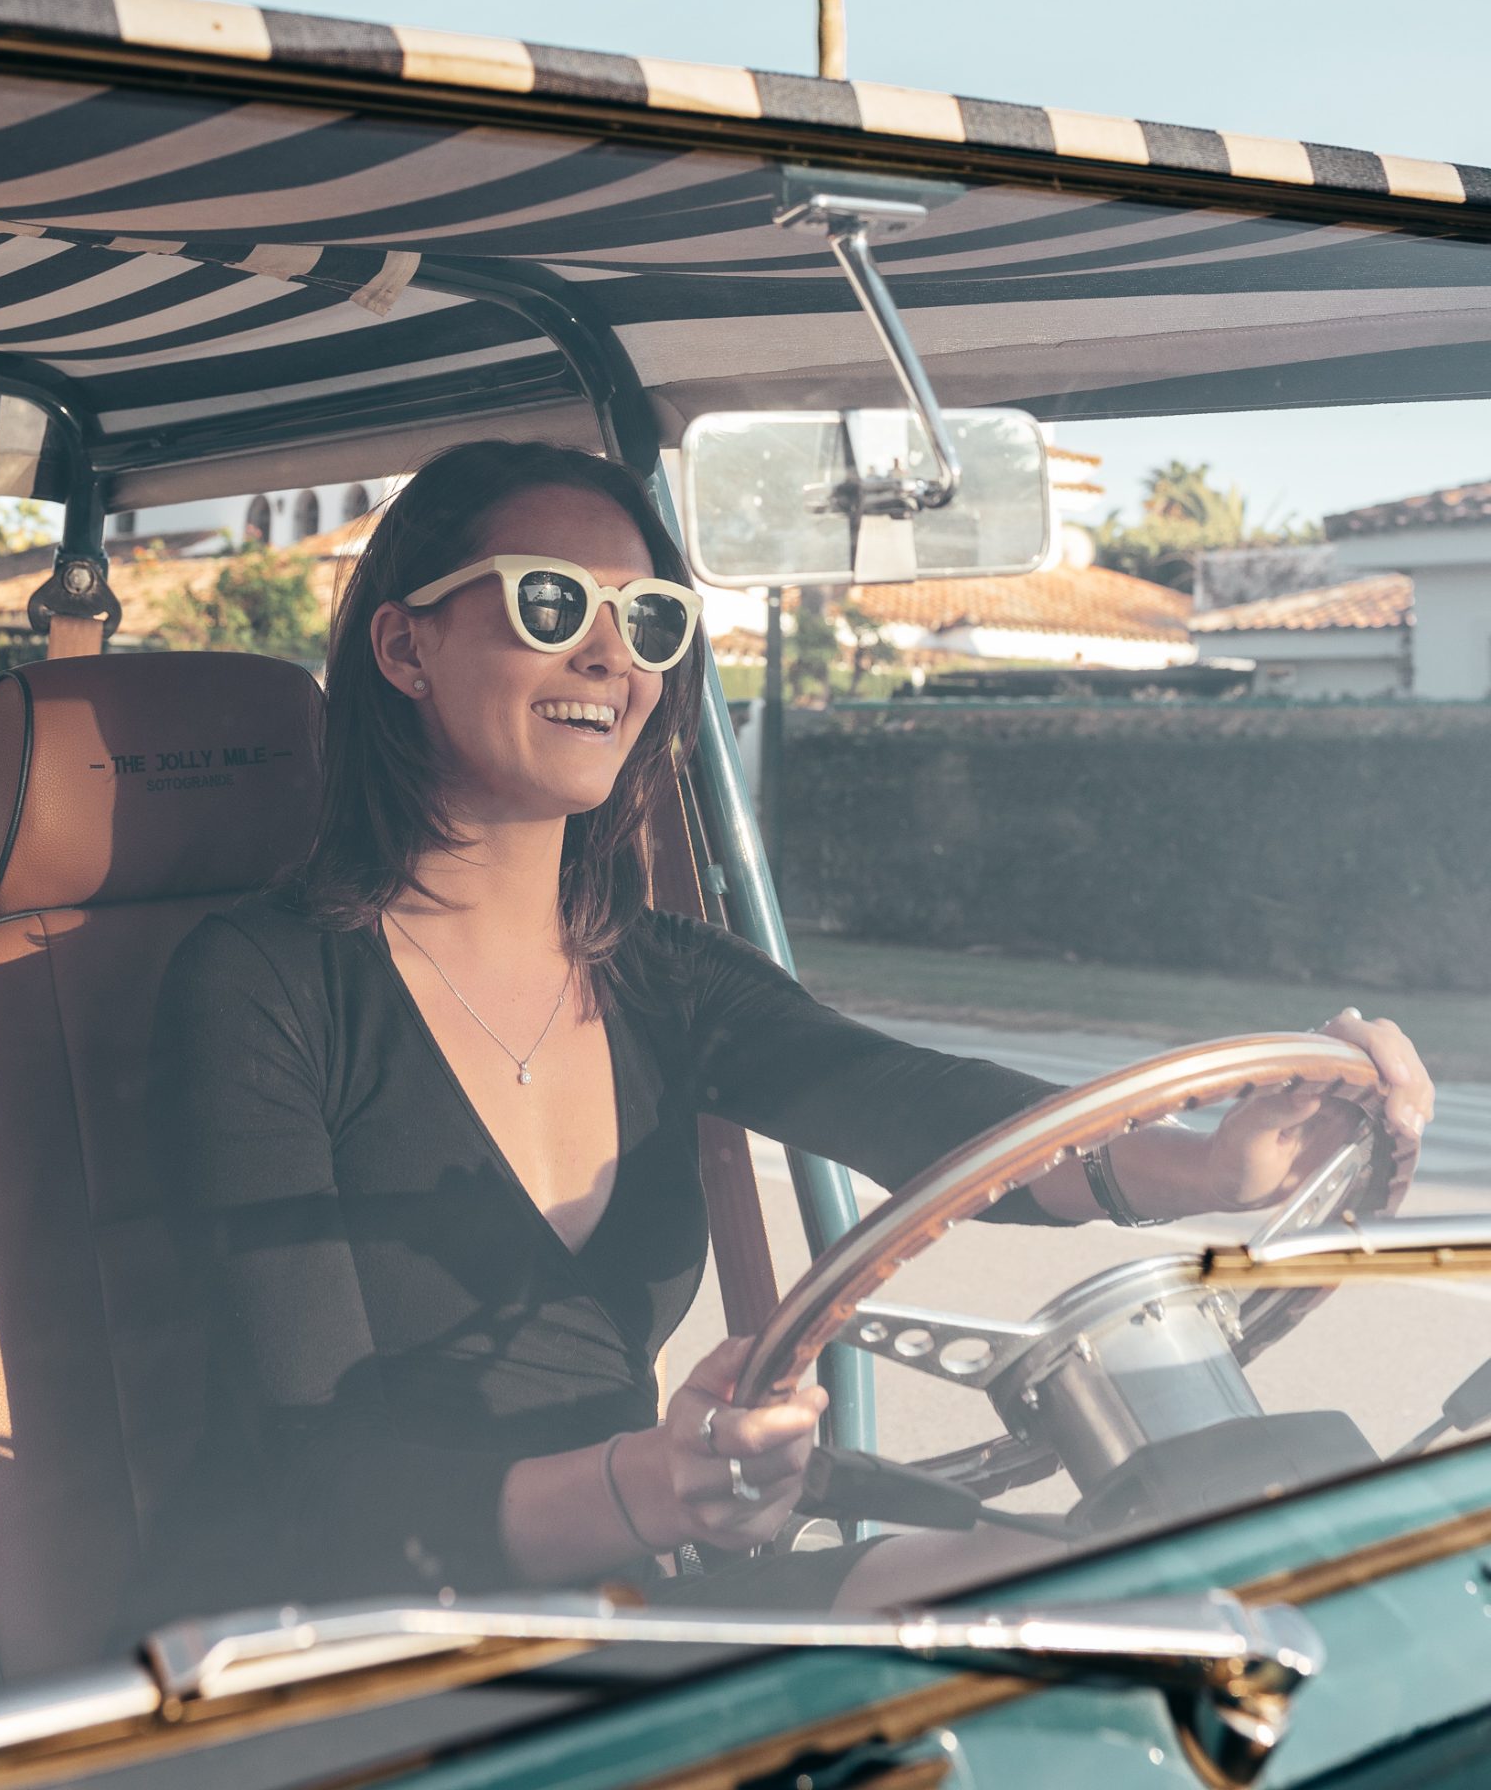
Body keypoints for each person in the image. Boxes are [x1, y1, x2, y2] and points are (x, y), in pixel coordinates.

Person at [151, 439, 1432, 1608]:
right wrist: (648, 1485)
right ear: (402, 648)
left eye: (650, 619)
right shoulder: (259, 986)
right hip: (325, 1653)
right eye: (552, 602)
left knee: (1130, 1581)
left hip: (613, 1605)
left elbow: (918, 1109)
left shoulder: (662, 976)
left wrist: (1206, 1159)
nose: (612, 656)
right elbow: (322, 1478)